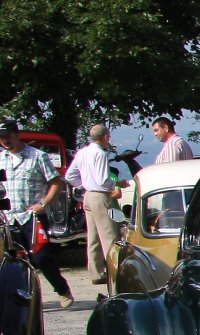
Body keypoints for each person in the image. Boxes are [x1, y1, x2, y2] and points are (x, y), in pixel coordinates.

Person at [0, 121, 74, 307]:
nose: (5, 141)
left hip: (32, 216)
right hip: (9, 216)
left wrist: (44, 204)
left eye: (8, 136)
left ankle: (63, 290)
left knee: (42, 257)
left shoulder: (37, 156)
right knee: (12, 261)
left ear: (17, 135)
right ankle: (19, 297)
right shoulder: (1, 159)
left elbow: (56, 183)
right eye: (1, 138)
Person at [64, 123, 120, 285]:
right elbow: (103, 180)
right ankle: (115, 272)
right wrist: (117, 184)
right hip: (100, 196)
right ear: (105, 137)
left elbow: (69, 176)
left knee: (93, 236)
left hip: (88, 195)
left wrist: (83, 185)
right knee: (109, 235)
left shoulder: (82, 152)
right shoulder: (100, 153)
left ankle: (96, 272)